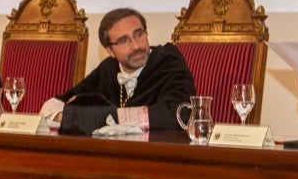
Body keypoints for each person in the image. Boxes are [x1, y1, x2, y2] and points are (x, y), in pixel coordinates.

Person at [42, 8, 196, 134]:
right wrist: (70, 116)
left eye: (139, 34)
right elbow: (51, 106)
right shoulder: (108, 68)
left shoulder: (168, 60)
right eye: (123, 41)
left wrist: (86, 118)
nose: (136, 46)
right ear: (110, 50)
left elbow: (179, 114)